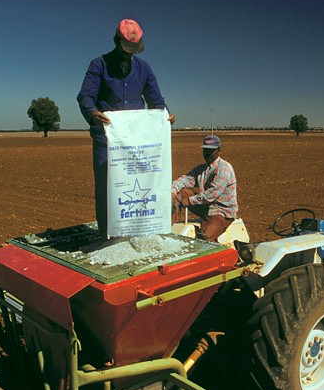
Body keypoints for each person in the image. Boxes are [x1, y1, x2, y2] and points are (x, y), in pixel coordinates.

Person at [77, 18, 176, 236]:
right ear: (116, 41)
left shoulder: (144, 68)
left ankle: (140, 231)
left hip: (137, 141)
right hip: (107, 140)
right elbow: (85, 97)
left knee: (141, 185)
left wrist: (164, 116)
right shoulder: (98, 65)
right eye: (126, 49)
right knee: (107, 188)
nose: (129, 54)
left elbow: (156, 100)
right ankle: (108, 234)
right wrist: (93, 114)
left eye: (133, 50)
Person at [172, 135, 238, 242]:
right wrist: (173, 191)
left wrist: (188, 201)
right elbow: (185, 179)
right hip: (206, 207)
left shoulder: (224, 169)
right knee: (180, 194)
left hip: (221, 211)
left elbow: (211, 194)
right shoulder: (202, 169)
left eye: (211, 150)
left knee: (206, 235)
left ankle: (217, 252)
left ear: (219, 150)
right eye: (206, 150)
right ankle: (166, 228)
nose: (208, 153)